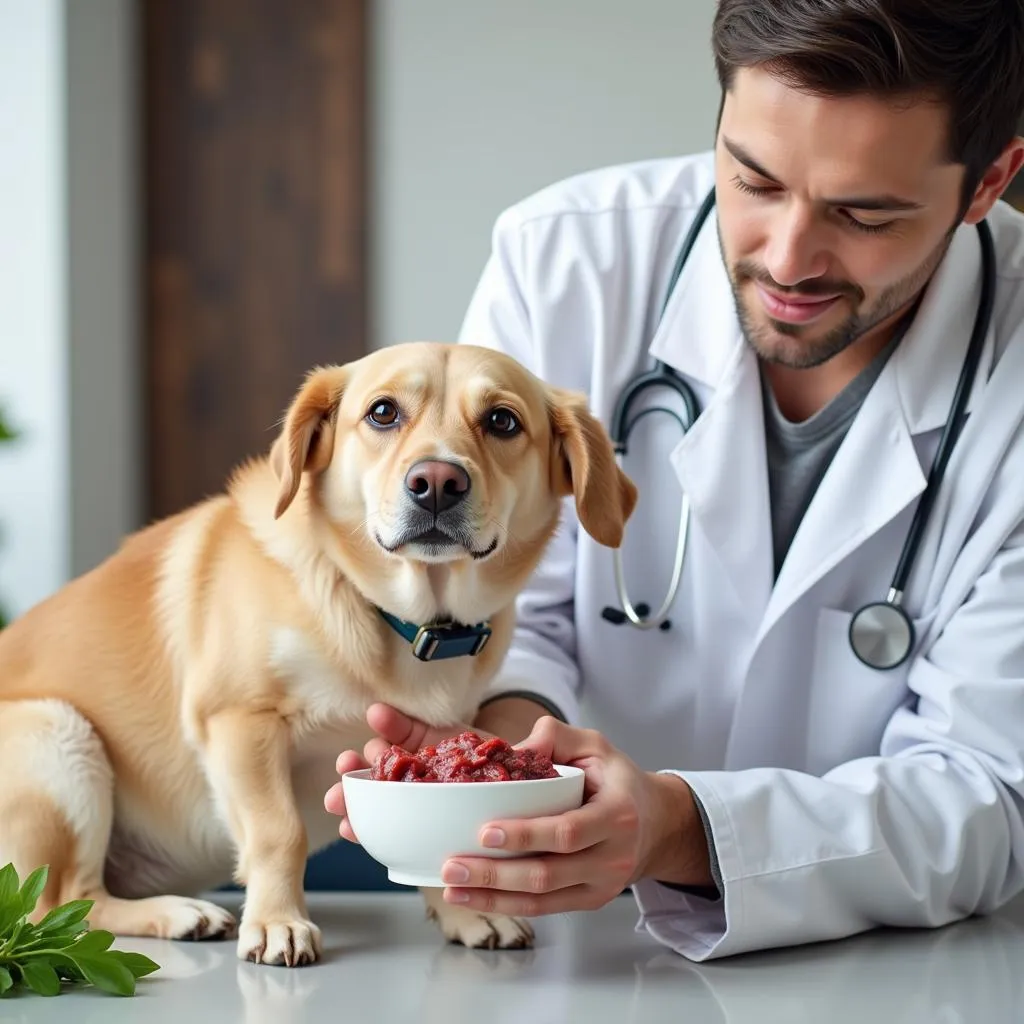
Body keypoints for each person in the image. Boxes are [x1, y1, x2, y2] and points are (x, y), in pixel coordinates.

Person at [324, 0, 1024, 960]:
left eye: (865, 214)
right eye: (753, 178)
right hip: (567, 957)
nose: (787, 258)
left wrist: (676, 826)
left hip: (918, 969)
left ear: (988, 181)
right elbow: (519, 609)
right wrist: (504, 760)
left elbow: (991, 794)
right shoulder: (566, 261)